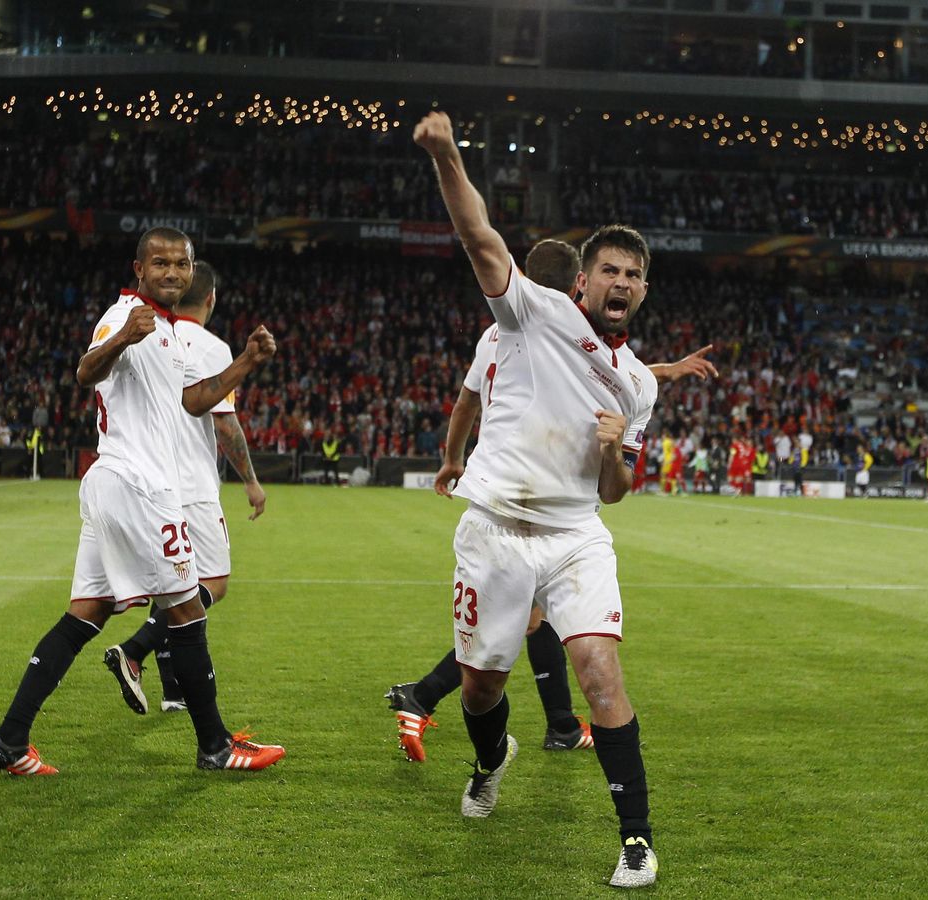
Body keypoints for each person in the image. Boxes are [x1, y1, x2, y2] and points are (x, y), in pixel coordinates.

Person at [416, 110, 661, 887]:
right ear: (582, 281)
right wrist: (449, 155)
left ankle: (636, 841)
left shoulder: (641, 383)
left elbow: (616, 493)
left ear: (643, 290)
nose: (619, 283)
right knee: (482, 686)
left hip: (574, 535)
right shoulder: (532, 313)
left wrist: (610, 450)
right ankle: (492, 760)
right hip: (494, 528)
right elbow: (479, 238)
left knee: (598, 670)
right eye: (608, 271)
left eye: (633, 274)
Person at [390, 239, 717, 764]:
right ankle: (438, 697)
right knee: (520, 629)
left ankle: (553, 723)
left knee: (534, 621)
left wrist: (453, 457)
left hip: (523, 490)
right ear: (575, 288)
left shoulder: (494, 333)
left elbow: (477, 396)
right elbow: (585, 363)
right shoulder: (538, 324)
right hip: (522, 489)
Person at [0, 228, 284, 776]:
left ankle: (9, 740)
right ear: (139, 269)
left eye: (182, 264)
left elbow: (194, 401)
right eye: (160, 264)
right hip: (141, 487)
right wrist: (122, 338)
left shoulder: (169, 330)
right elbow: (85, 369)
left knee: (86, 613)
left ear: (192, 272)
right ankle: (216, 746)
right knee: (188, 610)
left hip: (119, 485)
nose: (172, 273)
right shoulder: (125, 314)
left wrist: (245, 362)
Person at [102, 261, 269, 716]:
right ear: (211, 299)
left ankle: (174, 691)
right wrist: (251, 481)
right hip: (193, 483)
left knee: (172, 586)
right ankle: (135, 650)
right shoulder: (211, 346)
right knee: (212, 581)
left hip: (150, 480)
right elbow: (224, 421)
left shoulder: (159, 334)